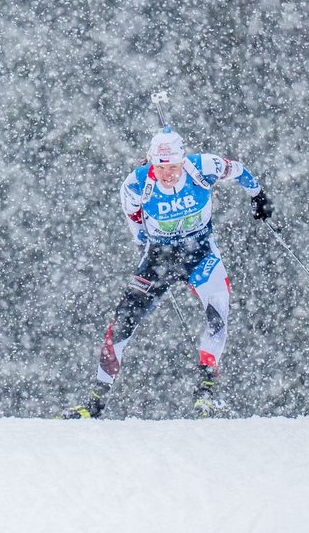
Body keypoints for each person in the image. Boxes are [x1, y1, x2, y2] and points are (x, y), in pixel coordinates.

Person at [63, 125, 273, 419]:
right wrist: (148, 239)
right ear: (151, 163)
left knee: (218, 309)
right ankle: (95, 403)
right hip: (159, 259)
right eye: (161, 168)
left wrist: (258, 195)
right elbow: (135, 224)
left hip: (200, 254)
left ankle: (206, 393)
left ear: (182, 160)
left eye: (173, 167)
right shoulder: (136, 184)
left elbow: (237, 170)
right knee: (123, 320)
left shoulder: (202, 167)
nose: (168, 174)